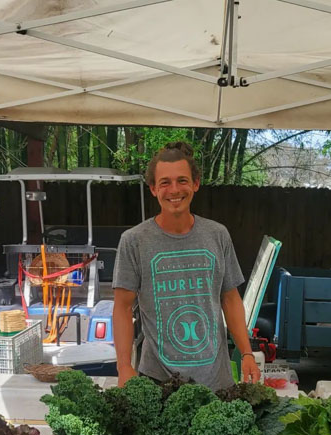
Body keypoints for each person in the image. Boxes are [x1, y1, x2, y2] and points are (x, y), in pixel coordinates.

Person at [112, 141, 261, 390]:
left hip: (216, 381)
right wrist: (124, 367)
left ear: (195, 184)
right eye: (165, 183)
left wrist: (247, 353)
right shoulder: (134, 241)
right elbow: (122, 308)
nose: (174, 190)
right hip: (158, 380)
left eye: (182, 180)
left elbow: (230, 299)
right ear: (153, 189)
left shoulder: (217, 235)